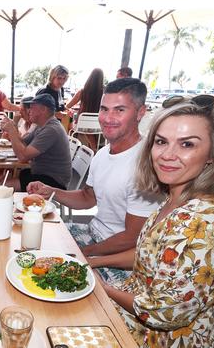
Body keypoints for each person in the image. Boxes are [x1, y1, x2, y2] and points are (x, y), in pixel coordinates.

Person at [89, 95, 214, 347]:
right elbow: (149, 253)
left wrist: (101, 288)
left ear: (213, 153)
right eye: (161, 142)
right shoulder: (175, 198)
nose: (168, 155)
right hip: (134, 307)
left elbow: (161, 314)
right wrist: (93, 261)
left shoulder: (200, 224)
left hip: (160, 337)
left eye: (187, 144)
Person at [27, 78, 160, 284]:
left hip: (119, 256)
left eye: (119, 110)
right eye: (104, 109)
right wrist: (50, 190)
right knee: (31, 245)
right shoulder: (103, 154)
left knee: (49, 280)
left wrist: (83, 251)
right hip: (92, 233)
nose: (108, 118)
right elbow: (88, 198)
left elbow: (133, 238)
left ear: (140, 113)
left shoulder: (146, 165)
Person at [0, 93, 71, 191]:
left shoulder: (51, 130)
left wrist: (12, 131)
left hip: (54, 181)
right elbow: (24, 143)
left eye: (32, 107)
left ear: (43, 109)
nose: (29, 111)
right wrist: (12, 126)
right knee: (3, 179)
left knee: (4, 186)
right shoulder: (41, 125)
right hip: (41, 173)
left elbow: (23, 156)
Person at [66, 68, 105, 151]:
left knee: (69, 125)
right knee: (88, 128)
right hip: (98, 125)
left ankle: (72, 149)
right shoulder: (104, 93)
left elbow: (68, 106)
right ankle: (93, 149)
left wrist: (77, 108)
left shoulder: (83, 91)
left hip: (82, 125)